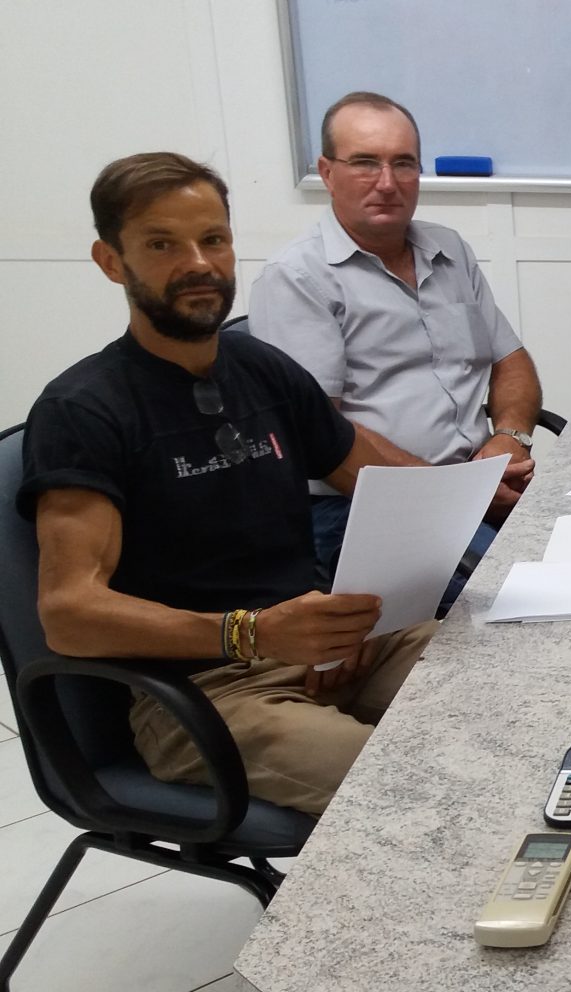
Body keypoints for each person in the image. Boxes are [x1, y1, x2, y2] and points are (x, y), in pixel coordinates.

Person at [21, 152, 437, 816]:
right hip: (205, 693)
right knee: (421, 782)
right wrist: (253, 633)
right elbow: (68, 614)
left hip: (323, 648)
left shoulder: (259, 367)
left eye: (213, 239)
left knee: (511, 686)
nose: (199, 263)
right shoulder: (83, 411)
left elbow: (383, 486)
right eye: (162, 244)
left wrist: (370, 611)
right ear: (111, 261)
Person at [249, 91, 539, 595]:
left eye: (403, 163)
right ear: (327, 172)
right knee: (513, 595)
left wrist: (510, 438)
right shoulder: (297, 278)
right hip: (360, 507)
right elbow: (321, 437)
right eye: (365, 163)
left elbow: (510, 361)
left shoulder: (450, 249)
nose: (387, 182)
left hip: (476, 484)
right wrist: (453, 495)